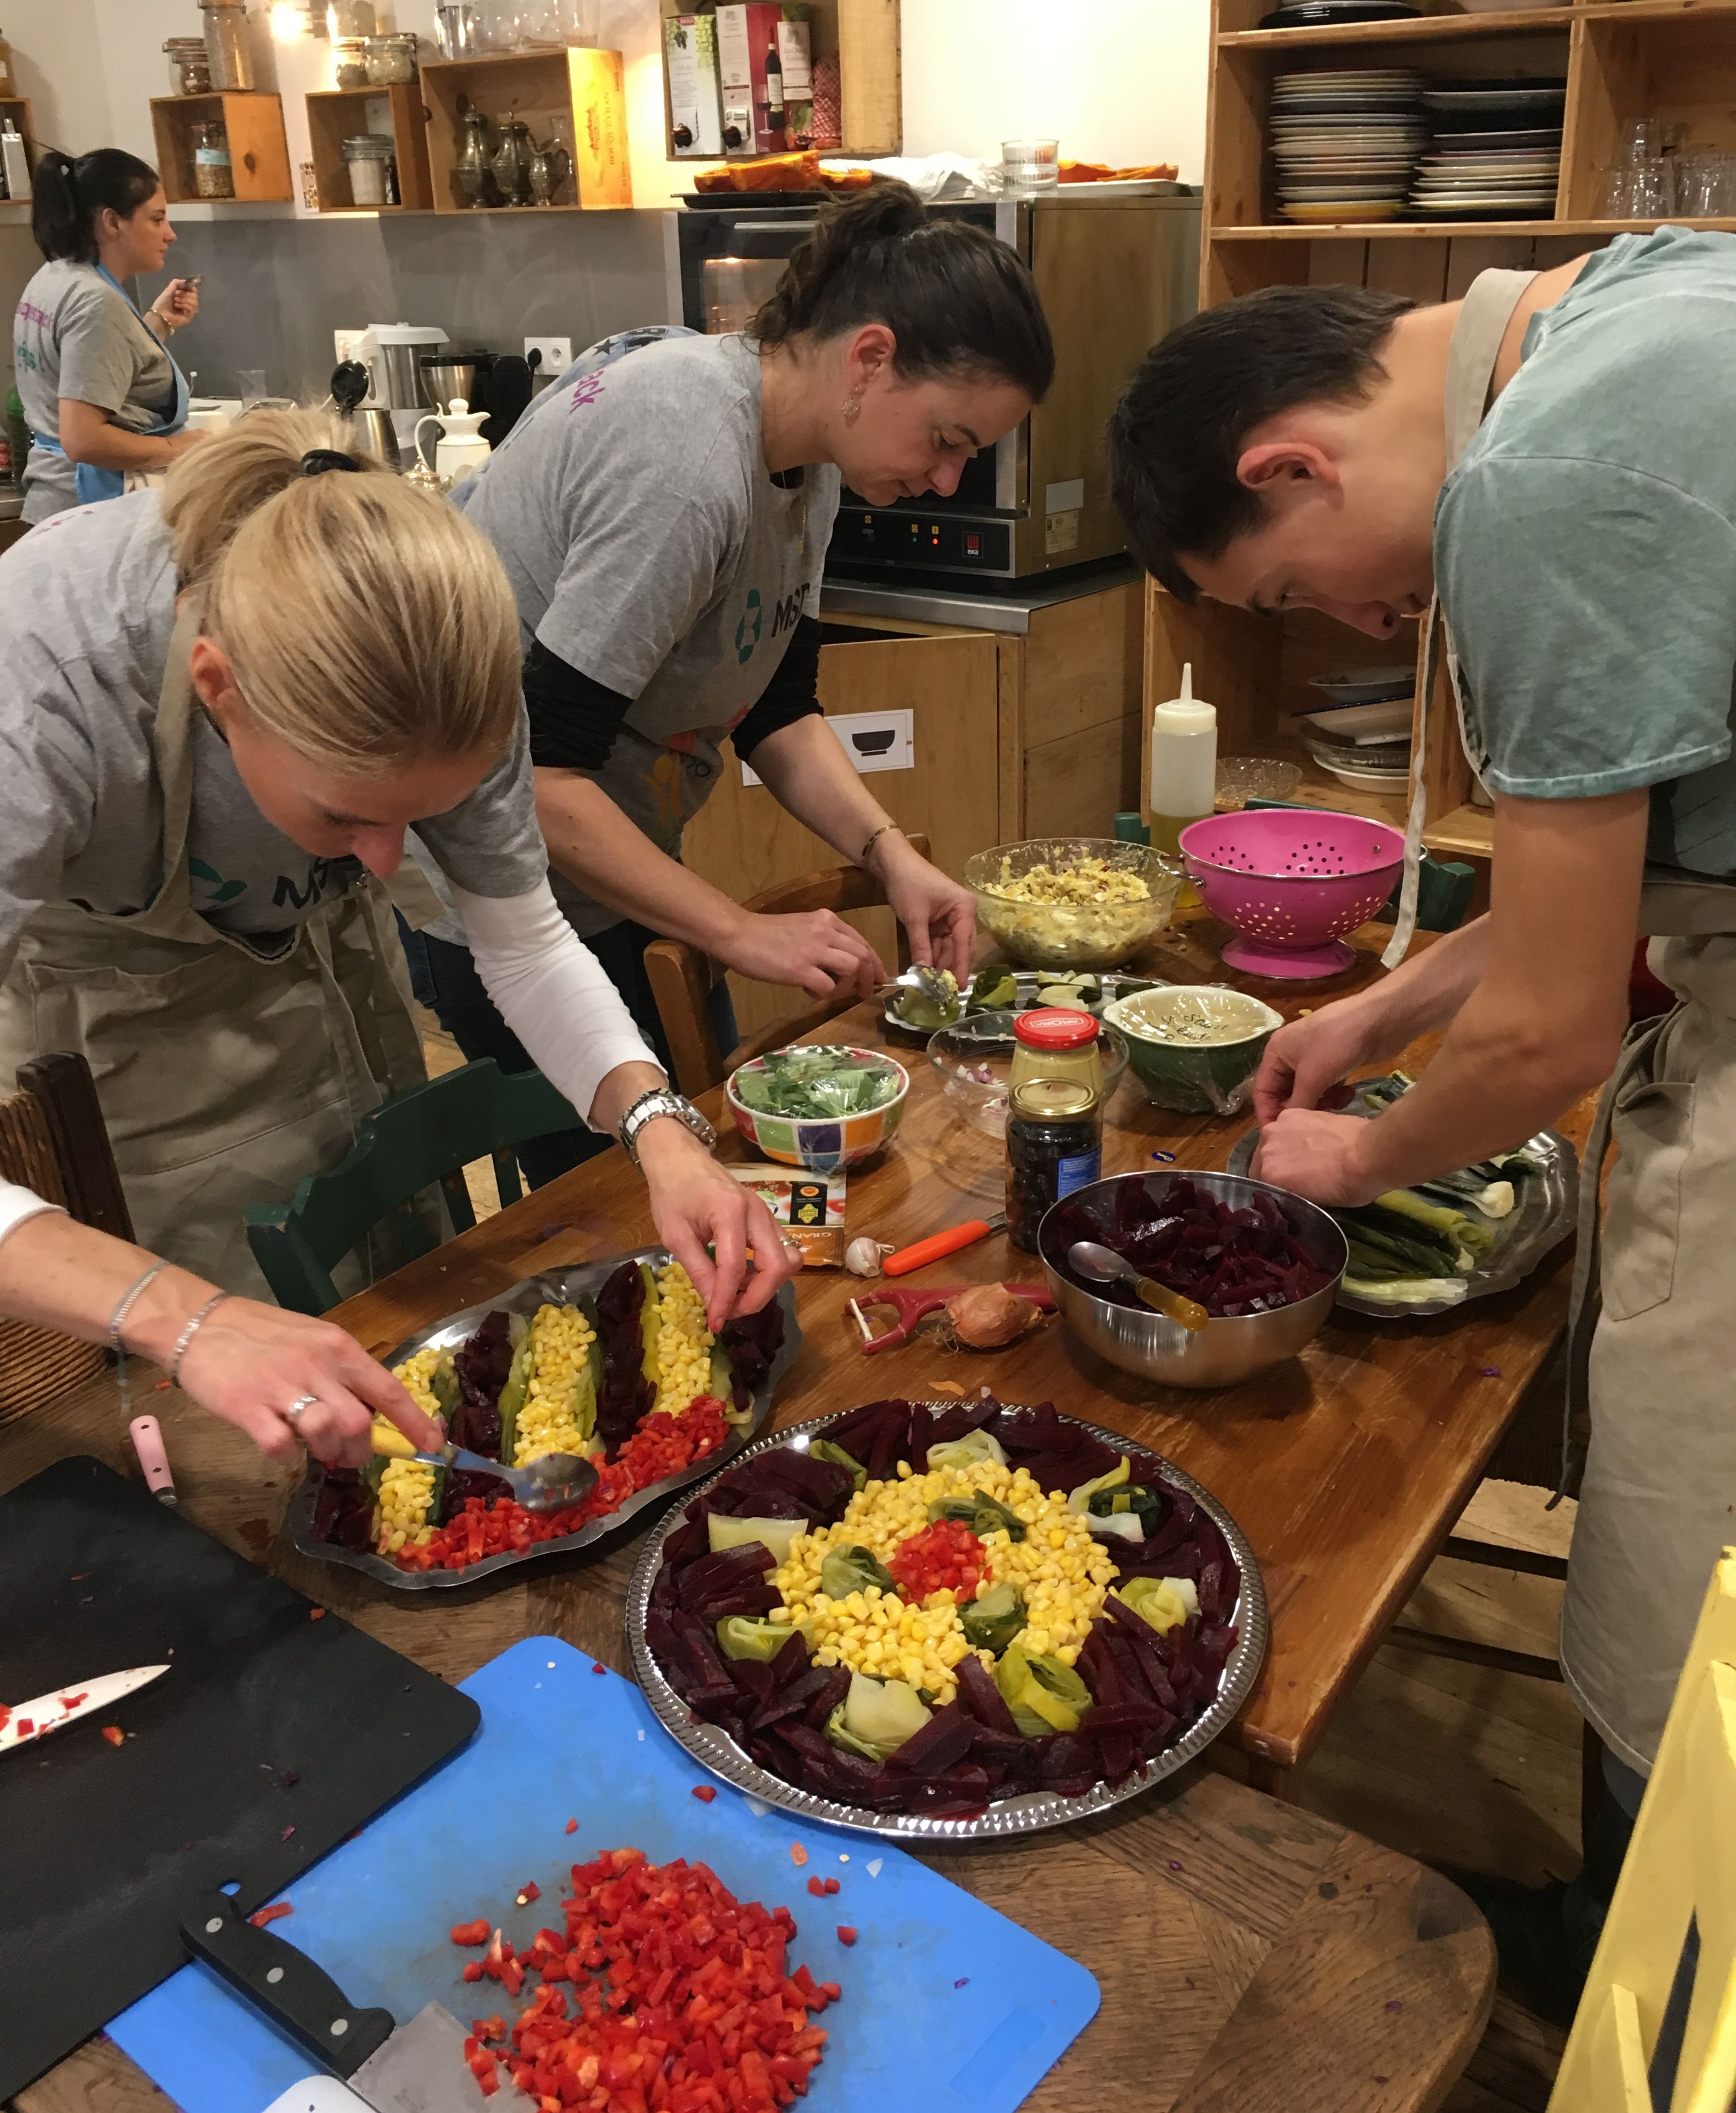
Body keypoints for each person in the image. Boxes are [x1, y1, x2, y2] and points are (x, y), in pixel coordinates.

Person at [1106, 226, 1736, 2018]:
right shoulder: (1637, 298)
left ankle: (1665, 2008)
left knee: (1690, 1586)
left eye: (1296, 597)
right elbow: (1576, 914)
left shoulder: (1543, 482)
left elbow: (1544, 1032)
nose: (1373, 626)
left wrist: (1359, 1159)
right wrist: (1385, 1006)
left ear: (1290, 462)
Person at [0, 410, 790, 1477]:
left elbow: (518, 941)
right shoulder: (45, 694)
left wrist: (661, 1131)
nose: (384, 867)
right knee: (244, 1452)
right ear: (216, 685)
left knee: (397, 1372)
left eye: (419, 817)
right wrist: (181, 1317)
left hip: (311, 979)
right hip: (128, 1039)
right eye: (346, 818)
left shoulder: (449, 652)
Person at [410, 181, 1055, 1180]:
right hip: (504, 900)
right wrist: (739, 930)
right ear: (868, 359)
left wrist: (889, 855)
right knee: (616, 1205)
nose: (945, 481)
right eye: (946, 440)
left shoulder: (812, 463)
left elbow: (776, 707)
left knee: (706, 1165)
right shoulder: (683, 465)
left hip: (618, 869)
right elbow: (543, 779)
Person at [13, 146, 203, 519]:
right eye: (157, 219)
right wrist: (179, 449)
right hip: (85, 510)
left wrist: (157, 324)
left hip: (52, 503)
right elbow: (83, 439)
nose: (170, 234)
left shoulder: (56, 276)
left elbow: (97, 370)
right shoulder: (96, 302)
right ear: (113, 222)